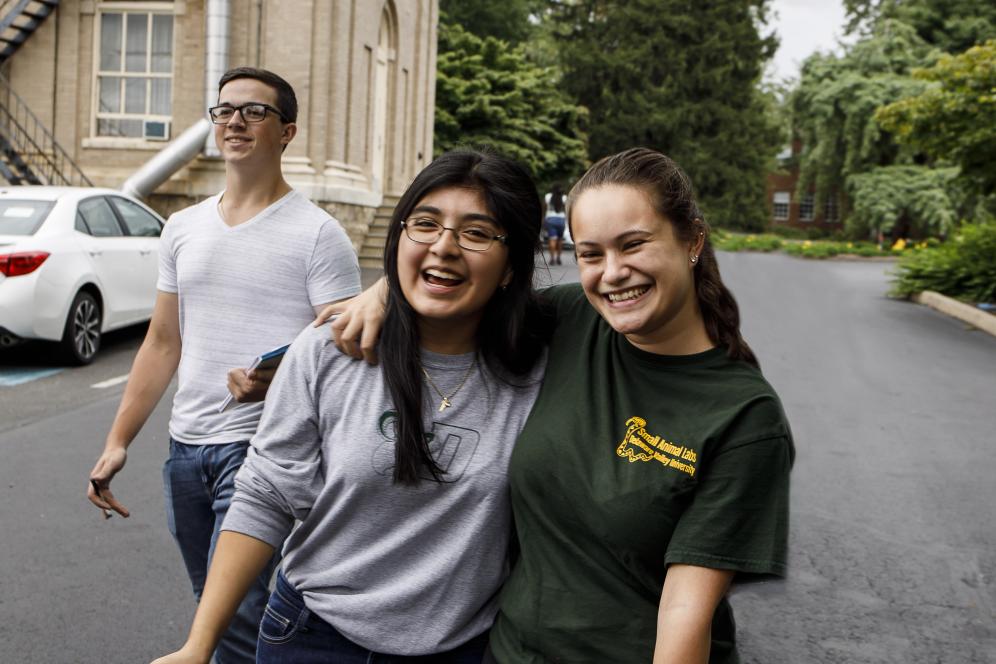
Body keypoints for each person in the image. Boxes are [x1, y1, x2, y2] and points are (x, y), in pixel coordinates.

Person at [328, 147, 793, 663]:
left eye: (633, 245)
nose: (612, 273)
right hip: (506, 653)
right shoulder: (573, 319)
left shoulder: (744, 416)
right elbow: (462, 293)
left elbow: (685, 612)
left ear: (693, 240)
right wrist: (387, 288)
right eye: (591, 254)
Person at [152, 148, 553, 664]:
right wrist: (198, 645)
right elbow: (266, 492)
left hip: (464, 647)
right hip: (314, 636)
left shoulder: (545, 364)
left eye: (476, 233)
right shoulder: (329, 349)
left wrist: (386, 287)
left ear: (509, 267)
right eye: (425, 224)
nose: (444, 247)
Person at [86, 67, 361, 663]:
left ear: (287, 132)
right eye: (224, 110)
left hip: (263, 450)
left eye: (254, 111)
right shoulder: (183, 228)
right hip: (186, 452)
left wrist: (279, 379)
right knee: (211, 603)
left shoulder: (318, 234)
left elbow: (348, 352)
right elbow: (163, 343)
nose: (235, 121)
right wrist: (118, 441)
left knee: (238, 616)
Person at [543, 182, 567, 265]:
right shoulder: (564, 198)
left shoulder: (548, 196)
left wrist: (544, 219)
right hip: (561, 220)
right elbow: (565, 209)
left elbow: (545, 208)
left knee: (552, 239)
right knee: (560, 240)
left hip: (550, 219)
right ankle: (558, 258)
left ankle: (552, 258)